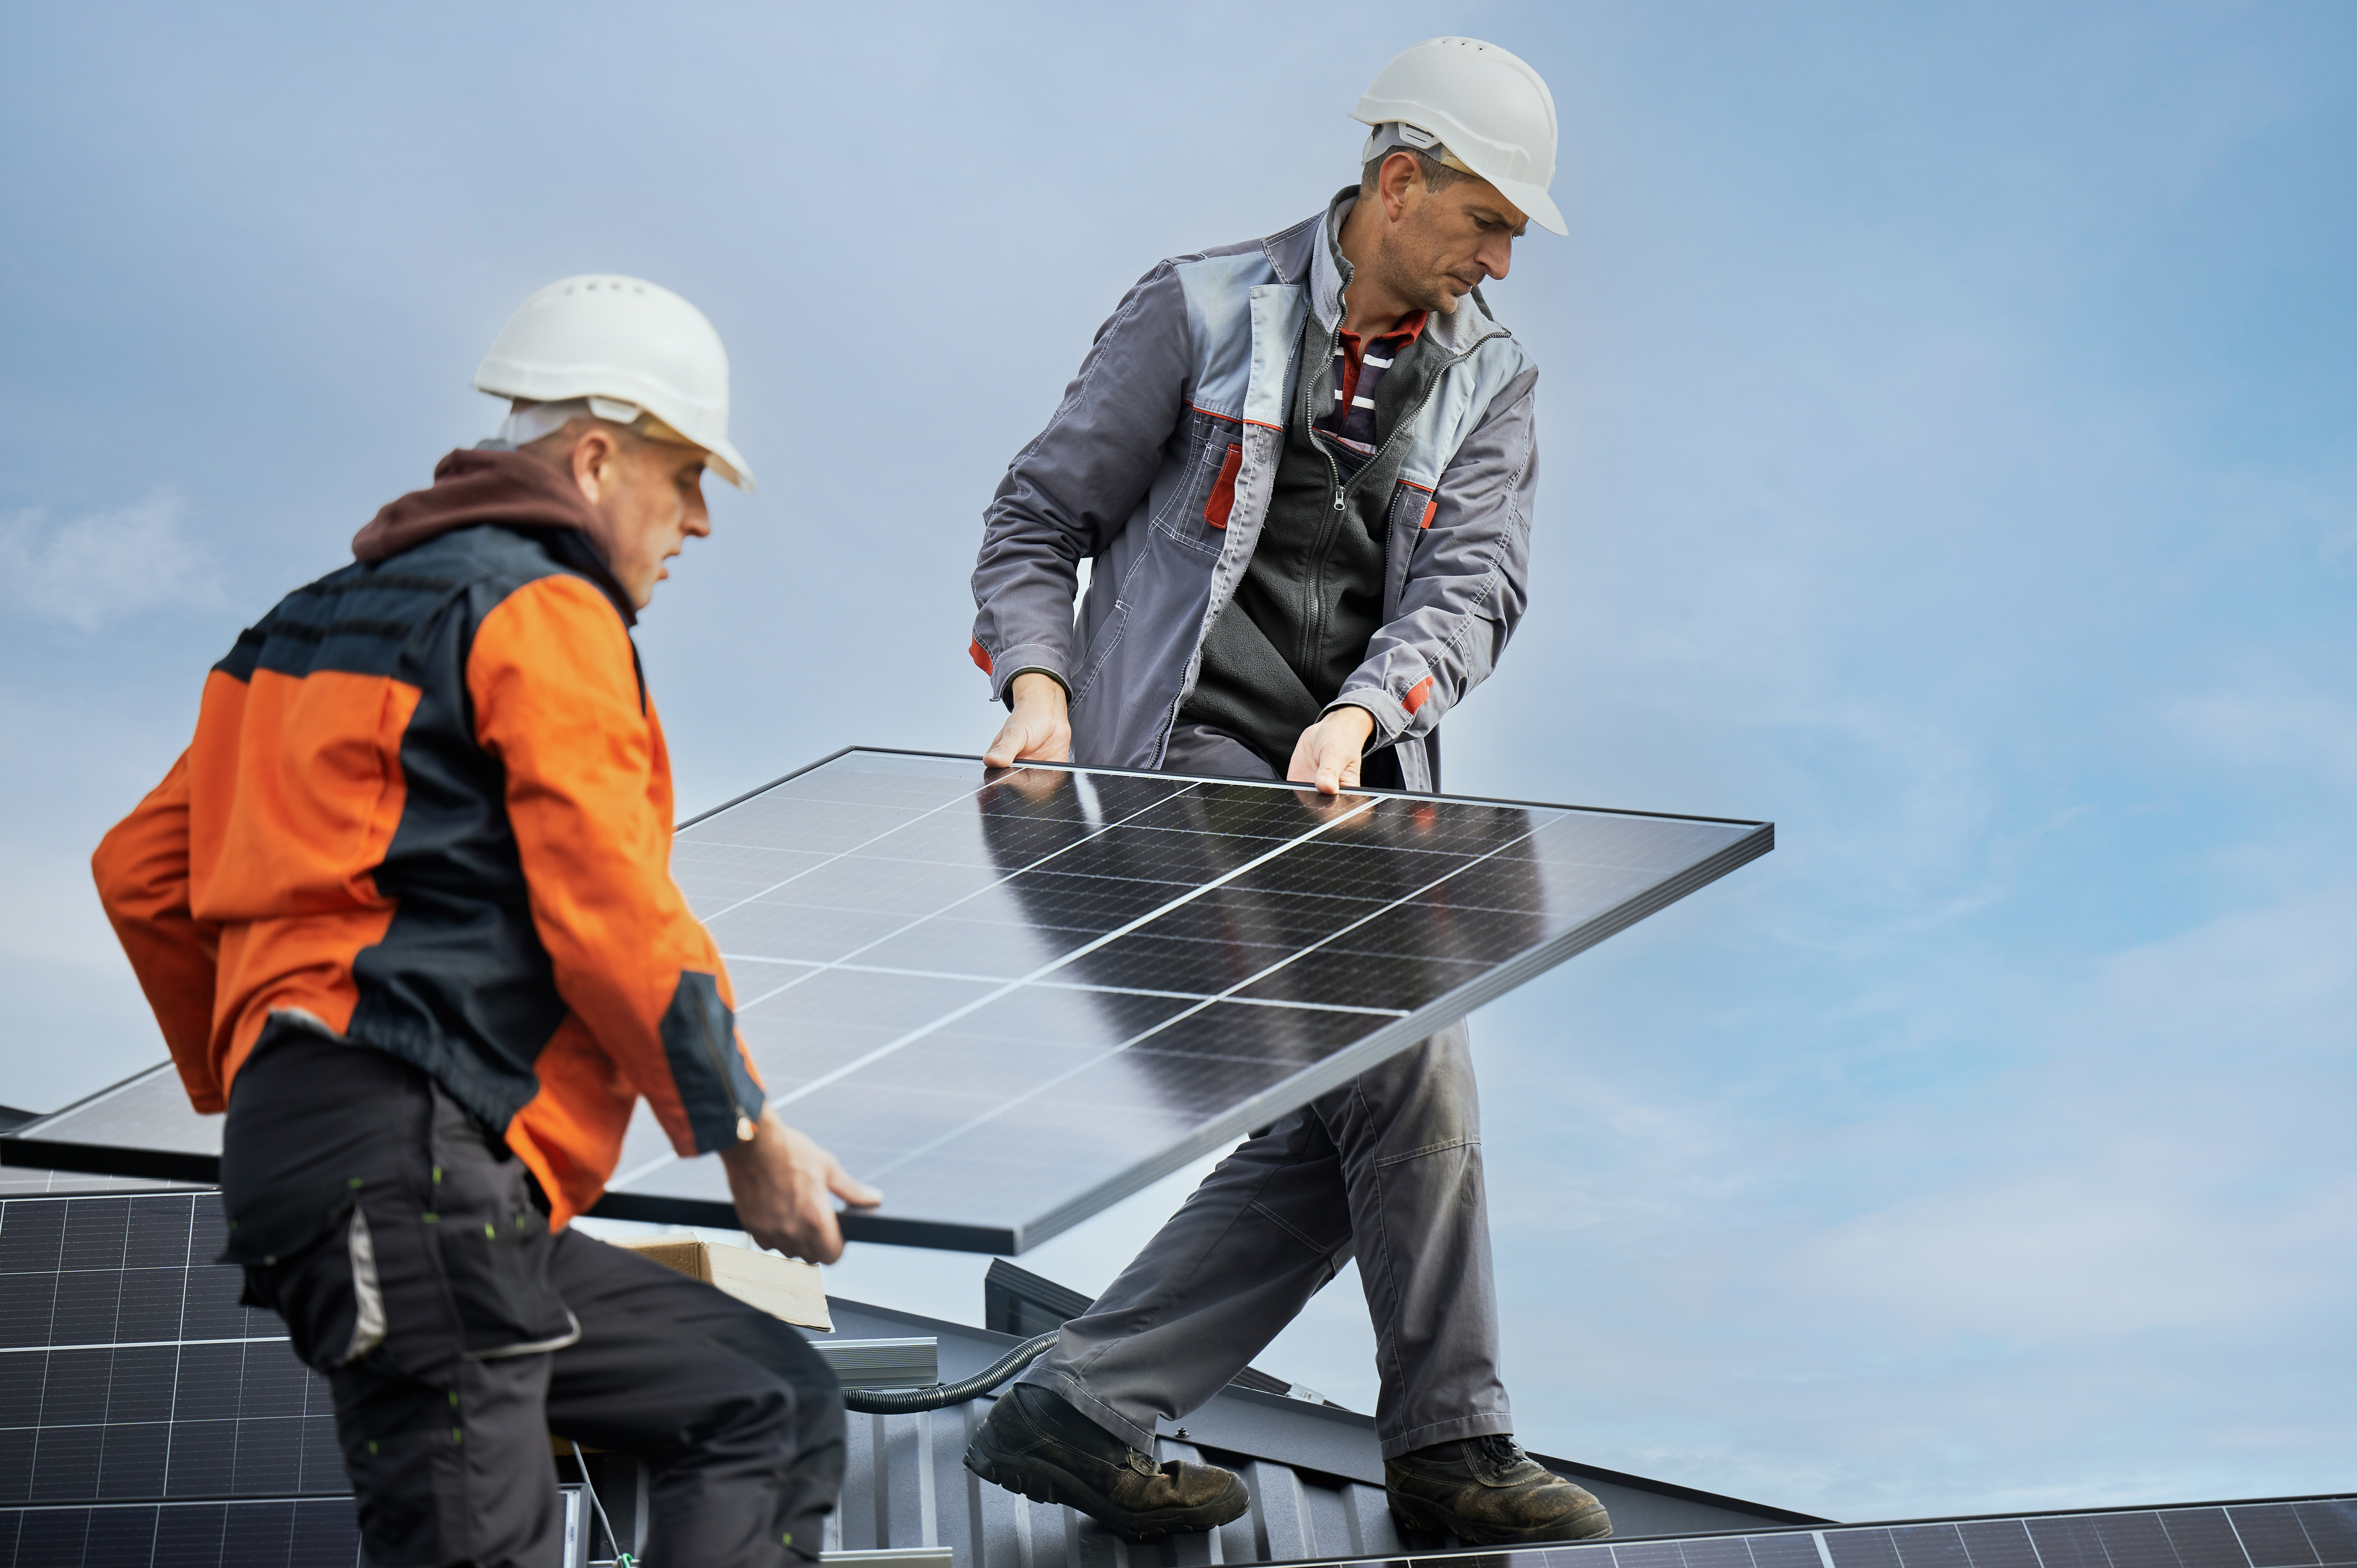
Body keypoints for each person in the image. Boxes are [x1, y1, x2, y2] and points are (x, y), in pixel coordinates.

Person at [92, 275, 879, 1568]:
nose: (696, 521)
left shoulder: (283, 638)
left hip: (362, 1171)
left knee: (763, 1400)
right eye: (684, 478)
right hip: (406, 1159)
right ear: (594, 456)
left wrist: (277, 1070)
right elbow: (607, 895)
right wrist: (739, 1131)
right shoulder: (545, 609)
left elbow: (140, 873)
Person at [960, 38, 1612, 1549]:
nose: (1503, 259)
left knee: (1362, 1126)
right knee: (1413, 1053)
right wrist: (1040, 692)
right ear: (1402, 180)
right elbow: (1033, 520)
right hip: (1169, 787)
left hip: (1336, 796)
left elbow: (1474, 590)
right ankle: (1451, 1449)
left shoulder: (1494, 381)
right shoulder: (1194, 311)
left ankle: (1088, 1401)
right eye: (1491, 220)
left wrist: (1367, 710)